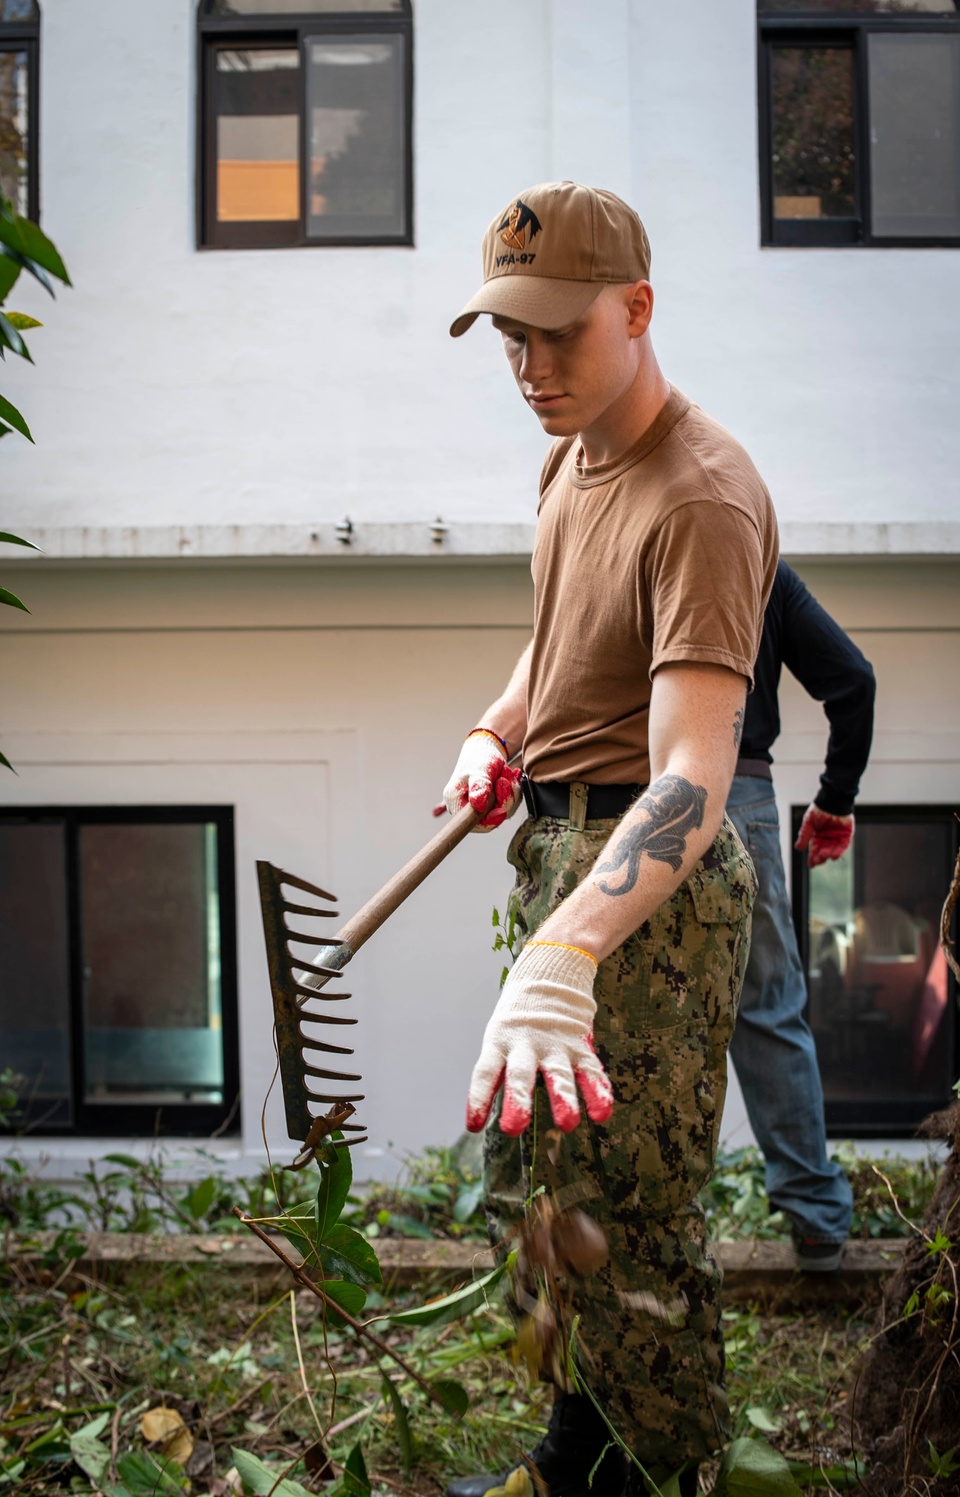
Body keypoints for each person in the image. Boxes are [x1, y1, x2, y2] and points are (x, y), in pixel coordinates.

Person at [441, 182, 779, 1497]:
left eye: (557, 336)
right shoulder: (569, 456)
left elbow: (695, 778)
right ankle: (574, 1456)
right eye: (509, 339)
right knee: (538, 1199)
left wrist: (568, 949)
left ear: (636, 310)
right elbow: (562, 631)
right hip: (555, 850)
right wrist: (496, 730)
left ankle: (666, 1475)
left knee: (629, 1232)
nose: (530, 369)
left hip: (652, 887)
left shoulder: (704, 494)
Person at [726, 560, 876, 1272]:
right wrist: (836, 795)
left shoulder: (631, 540)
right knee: (768, 1009)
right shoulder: (759, 568)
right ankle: (816, 1221)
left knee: (638, 1012)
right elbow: (854, 680)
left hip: (636, 798)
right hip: (738, 795)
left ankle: (646, 1220)